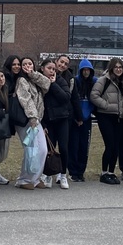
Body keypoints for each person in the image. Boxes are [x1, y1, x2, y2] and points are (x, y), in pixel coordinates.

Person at [90, 57, 123, 185]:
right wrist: (107, 106)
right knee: (109, 145)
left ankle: (111, 172)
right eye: (116, 67)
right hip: (105, 116)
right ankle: (104, 173)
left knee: (116, 146)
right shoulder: (104, 80)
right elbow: (94, 95)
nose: (118, 70)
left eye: (120, 67)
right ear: (111, 68)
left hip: (119, 117)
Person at [40, 58, 81, 189]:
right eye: (49, 68)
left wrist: (53, 85)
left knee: (63, 148)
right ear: (42, 69)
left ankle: (63, 174)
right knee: (49, 149)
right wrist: (43, 124)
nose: (52, 71)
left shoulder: (61, 80)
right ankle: (48, 175)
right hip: (48, 120)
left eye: (53, 69)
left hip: (62, 119)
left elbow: (66, 98)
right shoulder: (39, 82)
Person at [14, 57, 49, 189]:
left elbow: (47, 84)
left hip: (37, 120)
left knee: (43, 150)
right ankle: (24, 179)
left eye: (30, 63)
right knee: (31, 150)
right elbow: (26, 100)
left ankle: (35, 178)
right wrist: (33, 117)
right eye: (24, 64)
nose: (27, 66)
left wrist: (32, 74)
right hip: (27, 120)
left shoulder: (35, 80)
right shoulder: (21, 81)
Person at [68, 59, 95, 182]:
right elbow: (72, 101)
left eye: (88, 70)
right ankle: (73, 172)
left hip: (87, 119)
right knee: (73, 146)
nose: (86, 72)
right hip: (75, 120)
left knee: (84, 147)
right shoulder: (75, 81)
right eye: (84, 70)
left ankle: (80, 172)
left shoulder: (94, 82)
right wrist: (76, 117)